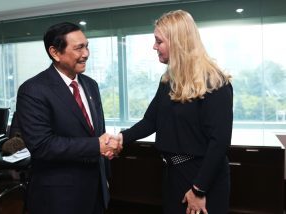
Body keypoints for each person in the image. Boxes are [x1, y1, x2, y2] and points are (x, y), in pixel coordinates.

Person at [117, 10, 233, 214]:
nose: (154, 46)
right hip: (173, 173)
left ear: (178, 42)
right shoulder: (168, 81)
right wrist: (119, 138)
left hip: (201, 179)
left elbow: (219, 143)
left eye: (158, 41)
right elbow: (150, 121)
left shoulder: (215, 82)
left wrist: (198, 189)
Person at [16, 22, 121, 214]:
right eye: (79, 48)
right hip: (59, 198)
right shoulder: (33, 90)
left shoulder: (91, 85)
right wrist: (96, 146)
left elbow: (95, 132)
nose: (86, 53)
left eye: (87, 46)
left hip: (96, 191)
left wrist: (106, 152)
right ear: (55, 52)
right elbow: (42, 145)